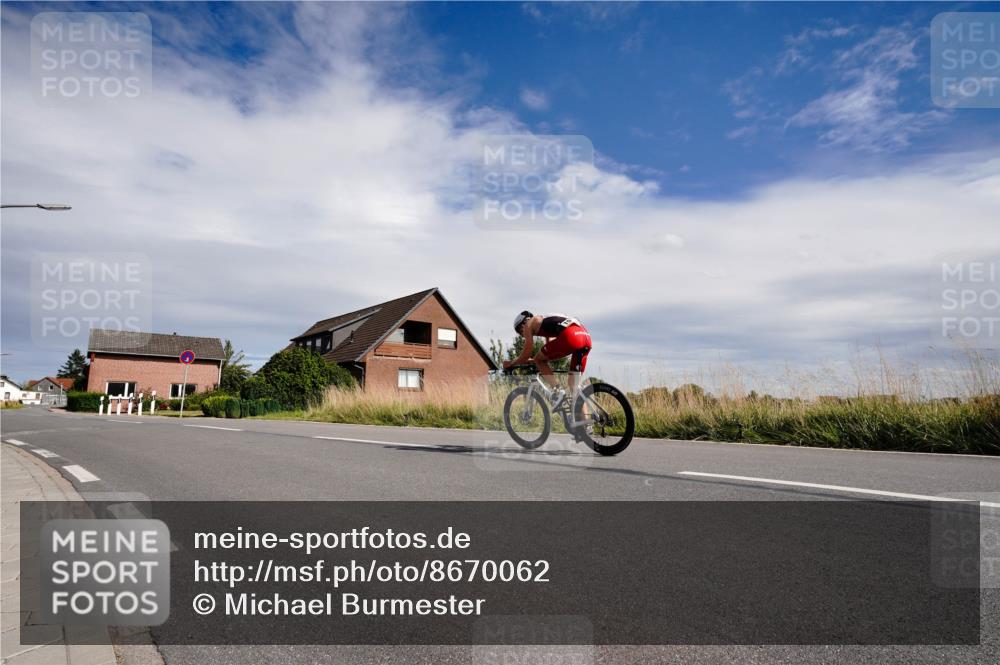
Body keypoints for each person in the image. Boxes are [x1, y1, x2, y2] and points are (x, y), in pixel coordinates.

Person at [503, 311, 592, 408]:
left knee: (539, 360)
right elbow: (548, 353)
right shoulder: (544, 320)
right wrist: (536, 360)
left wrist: (511, 363)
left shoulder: (529, 324)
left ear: (522, 324)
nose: (523, 335)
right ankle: (584, 422)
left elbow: (526, 353)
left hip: (572, 336)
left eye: (520, 332)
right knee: (574, 387)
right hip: (585, 336)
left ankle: (558, 392)